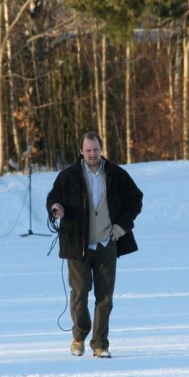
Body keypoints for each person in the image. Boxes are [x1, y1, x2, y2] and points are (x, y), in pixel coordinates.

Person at [46, 131, 143, 358]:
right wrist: (56, 208)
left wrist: (120, 227)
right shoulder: (67, 176)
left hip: (106, 244)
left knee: (105, 297)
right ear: (81, 151)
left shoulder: (116, 174)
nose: (92, 154)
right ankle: (79, 335)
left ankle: (100, 344)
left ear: (101, 149)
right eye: (88, 150)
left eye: (96, 150)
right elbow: (53, 198)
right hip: (77, 246)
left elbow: (135, 200)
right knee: (80, 294)